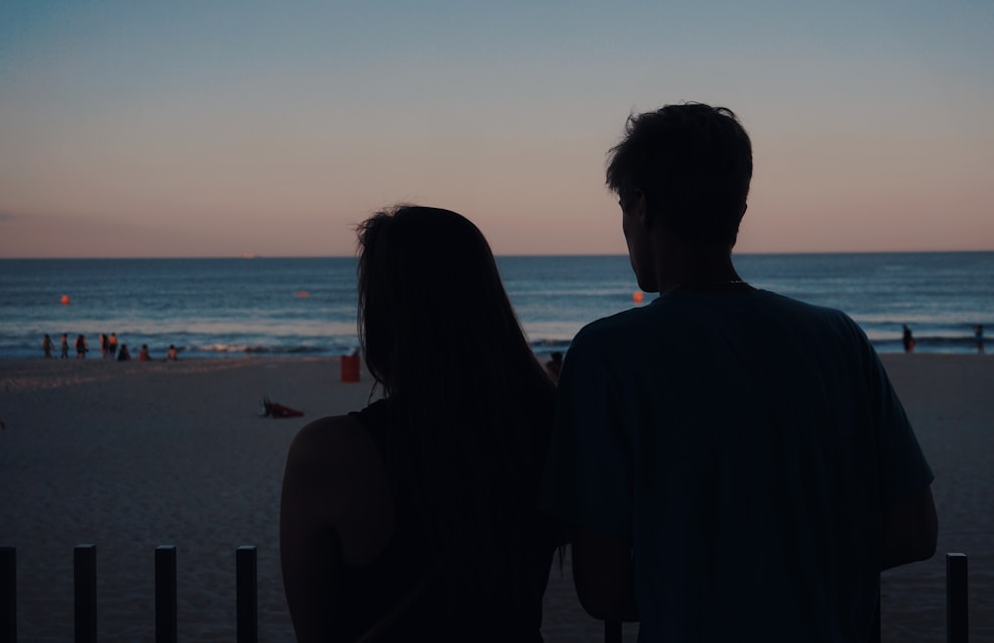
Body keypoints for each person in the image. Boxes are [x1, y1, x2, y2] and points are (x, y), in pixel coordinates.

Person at [540, 103, 937, 642]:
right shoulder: (838, 339)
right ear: (739, 210)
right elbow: (914, 531)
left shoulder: (608, 355)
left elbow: (604, 588)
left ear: (641, 206)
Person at [280, 206, 560, 643]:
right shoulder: (550, 426)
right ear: (489, 302)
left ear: (382, 315)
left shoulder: (328, 453)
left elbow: (314, 631)